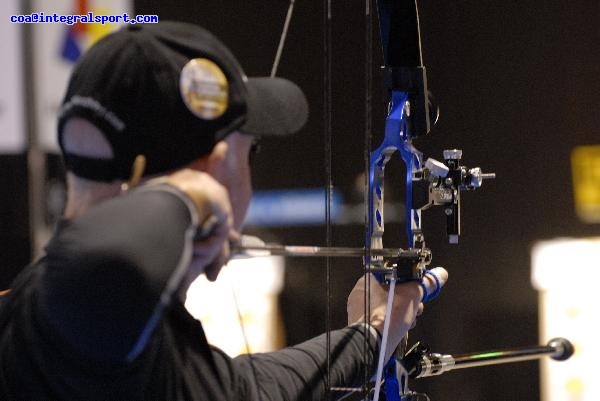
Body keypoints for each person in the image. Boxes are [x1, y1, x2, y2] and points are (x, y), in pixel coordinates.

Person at [0, 21, 447, 400]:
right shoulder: (77, 319)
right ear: (213, 166)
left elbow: (244, 389)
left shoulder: (70, 329)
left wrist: (368, 335)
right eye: (248, 151)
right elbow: (103, 268)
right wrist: (194, 195)